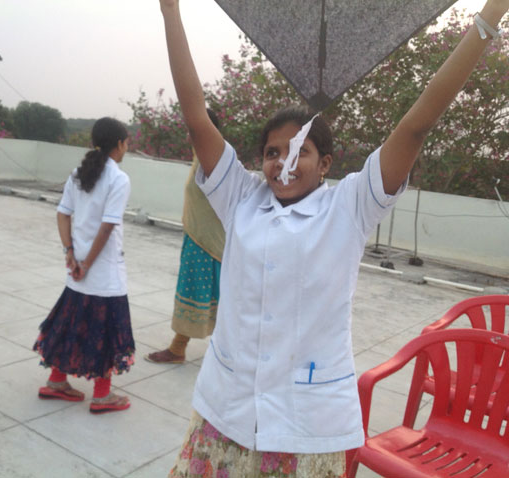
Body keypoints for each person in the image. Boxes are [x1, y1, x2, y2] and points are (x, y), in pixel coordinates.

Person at [159, 0, 509, 476]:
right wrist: (170, 13)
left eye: (301, 151)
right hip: (225, 414)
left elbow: (417, 123)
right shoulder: (240, 197)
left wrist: (490, 17)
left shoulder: (349, 205)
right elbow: (197, 117)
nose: (283, 161)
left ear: (326, 164)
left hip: (306, 430)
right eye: (272, 151)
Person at [33, 117, 135, 414]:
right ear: (118, 144)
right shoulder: (119, 179)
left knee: (71, 325)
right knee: (105, 331)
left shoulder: (78, 174)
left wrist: (71, 255)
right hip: (102, 273)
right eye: (127, 141)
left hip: (77, 269)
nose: (127, 147)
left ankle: (56, 382)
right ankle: (102, 395)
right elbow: (107, 227)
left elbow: (63, 214)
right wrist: (86, 263)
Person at [146, 108, 225, 364]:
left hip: (208, 243)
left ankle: (181, 349)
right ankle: (181, 348)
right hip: (198, 239)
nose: (188, 134)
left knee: (202, 294)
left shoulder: (214, 159)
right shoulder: (200, 157)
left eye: (193, 129)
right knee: (211, 296)